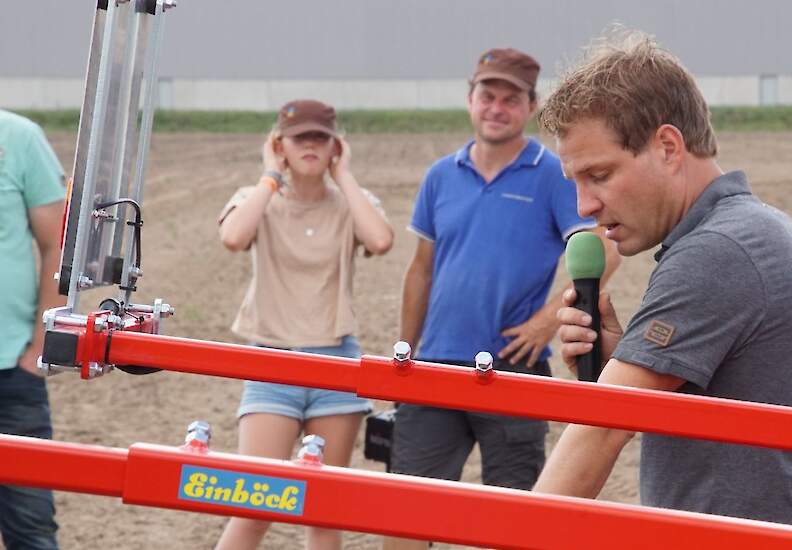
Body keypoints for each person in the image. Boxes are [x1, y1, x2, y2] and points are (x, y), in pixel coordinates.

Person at [532, 31, 792, 530]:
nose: (584, 206)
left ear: (667, 147)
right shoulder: (758, 225)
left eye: (599, 174)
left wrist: (514, 530)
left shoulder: (719, 250)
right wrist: (632, 357)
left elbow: (602, 430)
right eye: (575, 181)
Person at [386, 48, 618, 549]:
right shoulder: (440, 176)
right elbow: (420, 271)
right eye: (486, 96)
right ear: (470, 100)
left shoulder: (554, 174)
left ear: (531, 106)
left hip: (513, 369)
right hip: (434, 369)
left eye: (510, 99)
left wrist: (547, 321)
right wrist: (402, 360)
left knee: (515, 520)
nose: (496, 107)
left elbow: (600, 247)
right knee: (406, 515)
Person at [215, 99, 393, 550]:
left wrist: (344, 176)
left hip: (336, 365)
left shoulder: (353, 203)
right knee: (254, 506)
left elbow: (381, 240)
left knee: (323, 512)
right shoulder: (256, 198)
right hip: (272, 363)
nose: (310, 146)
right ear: (280, 145)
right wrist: (270, 176)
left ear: (336, 146)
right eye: (300, 138)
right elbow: (234, 238)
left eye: (321, 138)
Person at [0, 109, 66, 549]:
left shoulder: (18, 137)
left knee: (30, 528)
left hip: (10, 368)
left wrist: (39, 350)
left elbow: (56, 243)